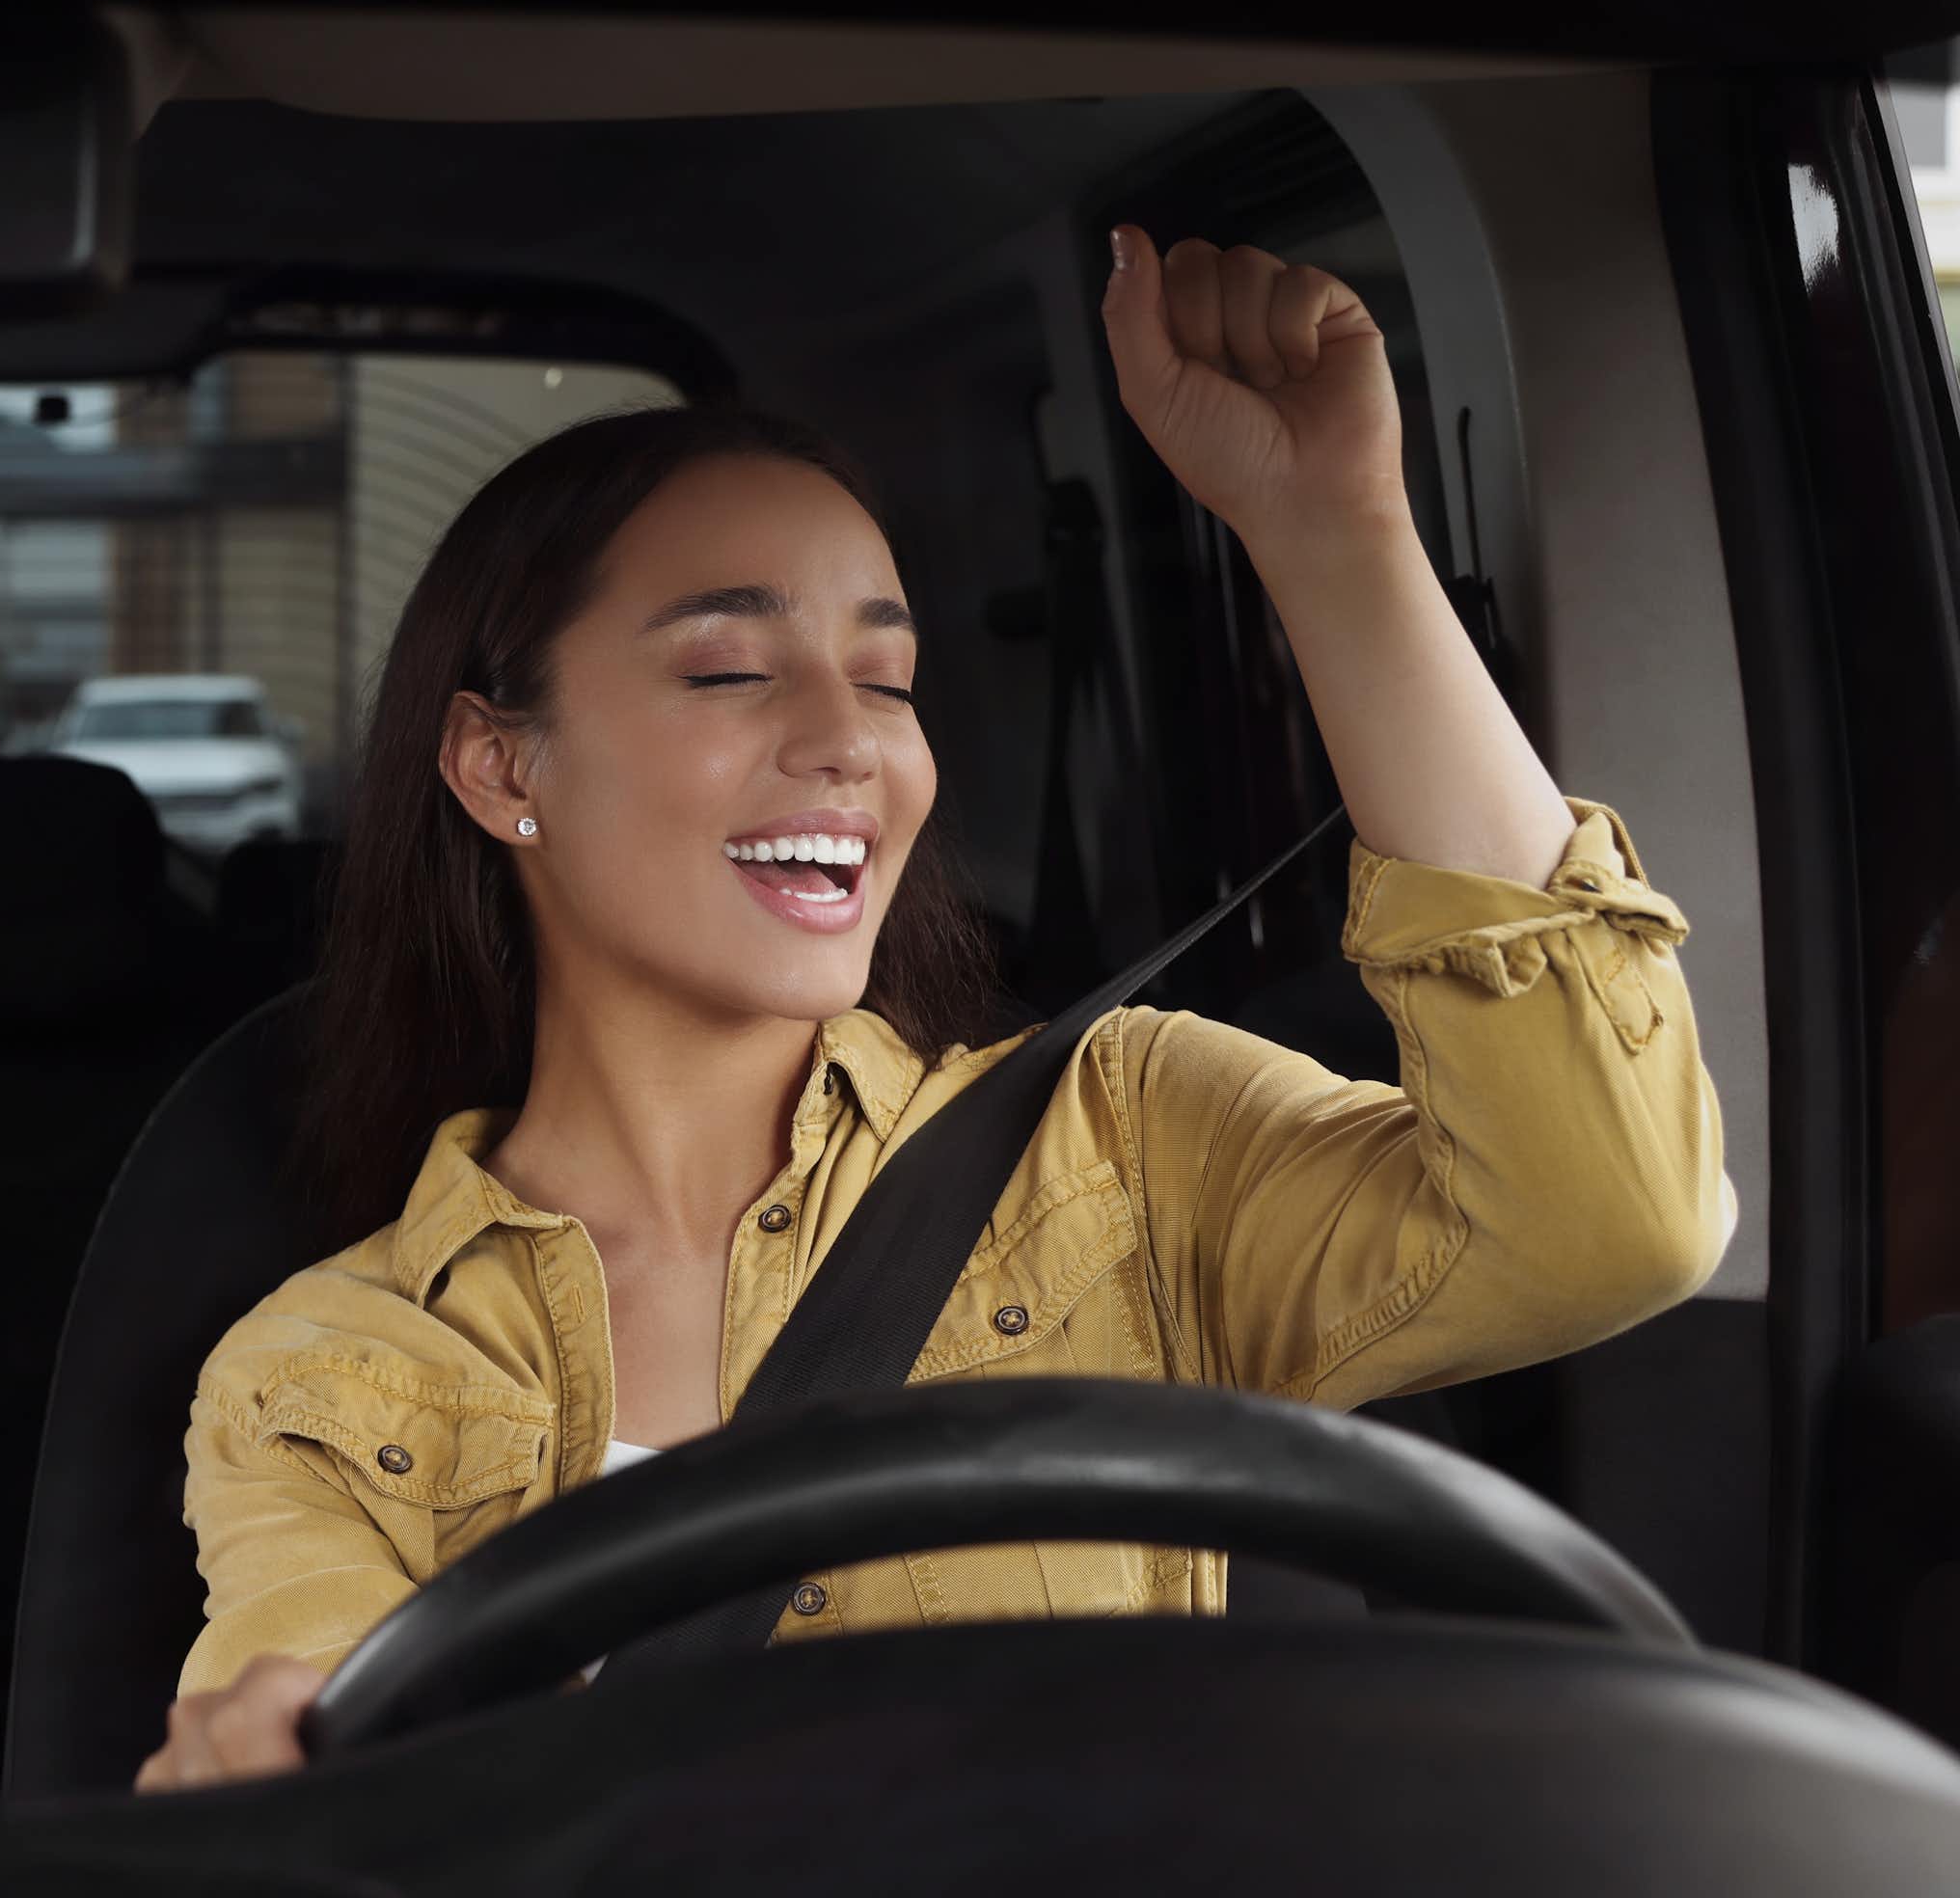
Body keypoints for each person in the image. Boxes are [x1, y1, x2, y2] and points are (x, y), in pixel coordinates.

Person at [137, 229, 1735, 1792]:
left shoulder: (1124, 1145)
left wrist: (1337, 538)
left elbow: (1611, 1219)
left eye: (890, 682)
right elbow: (299, 1757)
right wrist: (270, 1757)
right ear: (502, 766)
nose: (853, 744)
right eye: (728, 672)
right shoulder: (334, 1376)